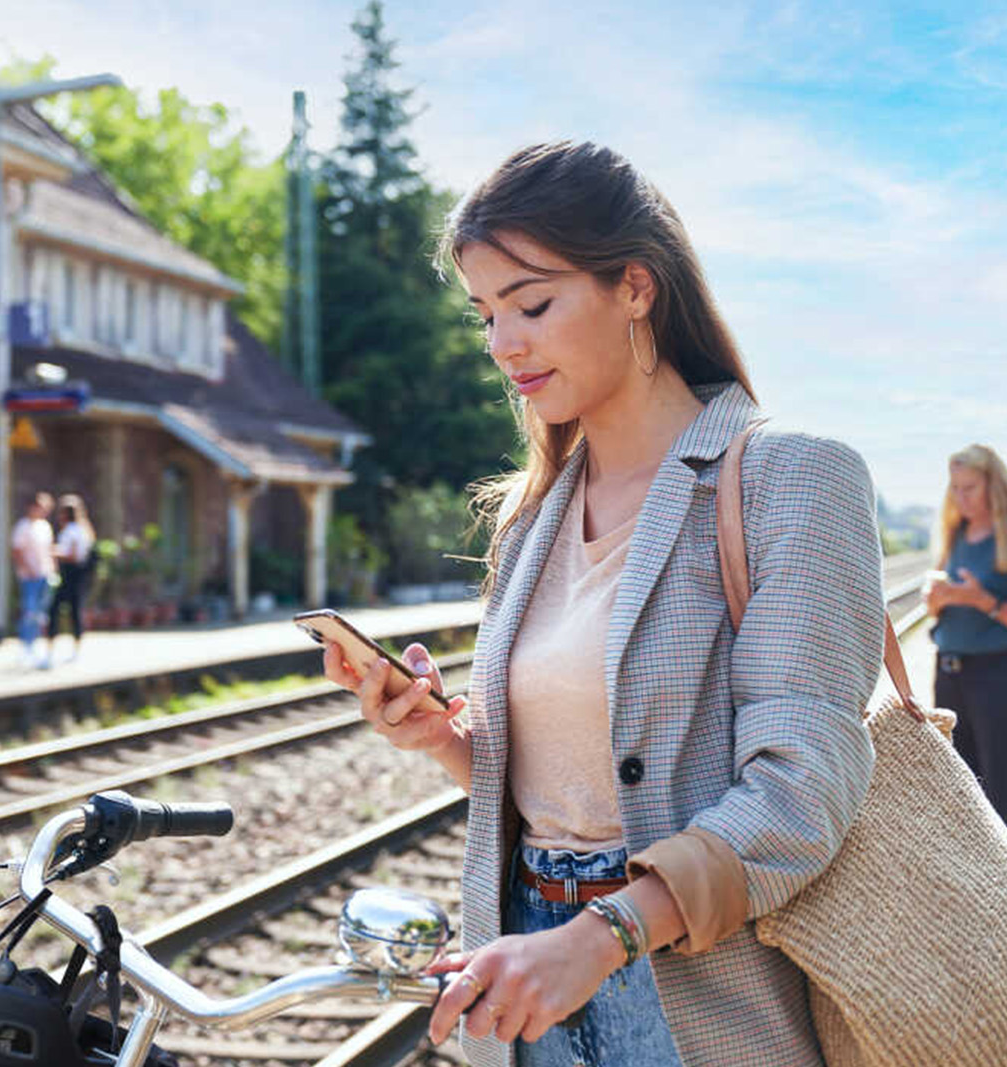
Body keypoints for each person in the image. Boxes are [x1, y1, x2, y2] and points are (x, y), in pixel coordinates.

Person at [320, 141, 887, 1067]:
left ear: (635, 286)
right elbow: (587, 786)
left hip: (697, 991)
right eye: (487, 315)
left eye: (533, 303)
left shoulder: (792, 478)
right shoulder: (528, 513)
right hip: (531, 975)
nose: (505, 344)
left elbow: (800, 791)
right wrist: (443, 737)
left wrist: (599, 937)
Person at [923, 444, 1007, 869]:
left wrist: (984, 601)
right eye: (955, 488)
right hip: (950, 676)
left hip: (1000, 679)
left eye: (970, 488)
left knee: (1003, 803)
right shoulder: (956, 534)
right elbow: (943, 606)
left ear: (993, 485)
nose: (962, 498)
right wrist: (939, 600)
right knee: (963, 807)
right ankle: (976, 915)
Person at [44, 493, 95, 668]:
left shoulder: (72, 531)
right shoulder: (84, 530)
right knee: (75, 611)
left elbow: (72, 555)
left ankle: (51, 650)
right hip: (79, 575)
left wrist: (54, 552)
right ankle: (75, 650)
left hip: (70, 574)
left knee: (55, 610)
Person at [10, 491, 55, 666]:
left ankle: (35, 644)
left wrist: (53, 569)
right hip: (30, 576)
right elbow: (17, 550)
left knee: (41, 613)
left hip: (46, 574)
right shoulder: (23, 526)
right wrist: (28, 569)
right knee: (29, 611)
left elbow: (49, 549)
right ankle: (25, 647)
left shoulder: (45, 526)